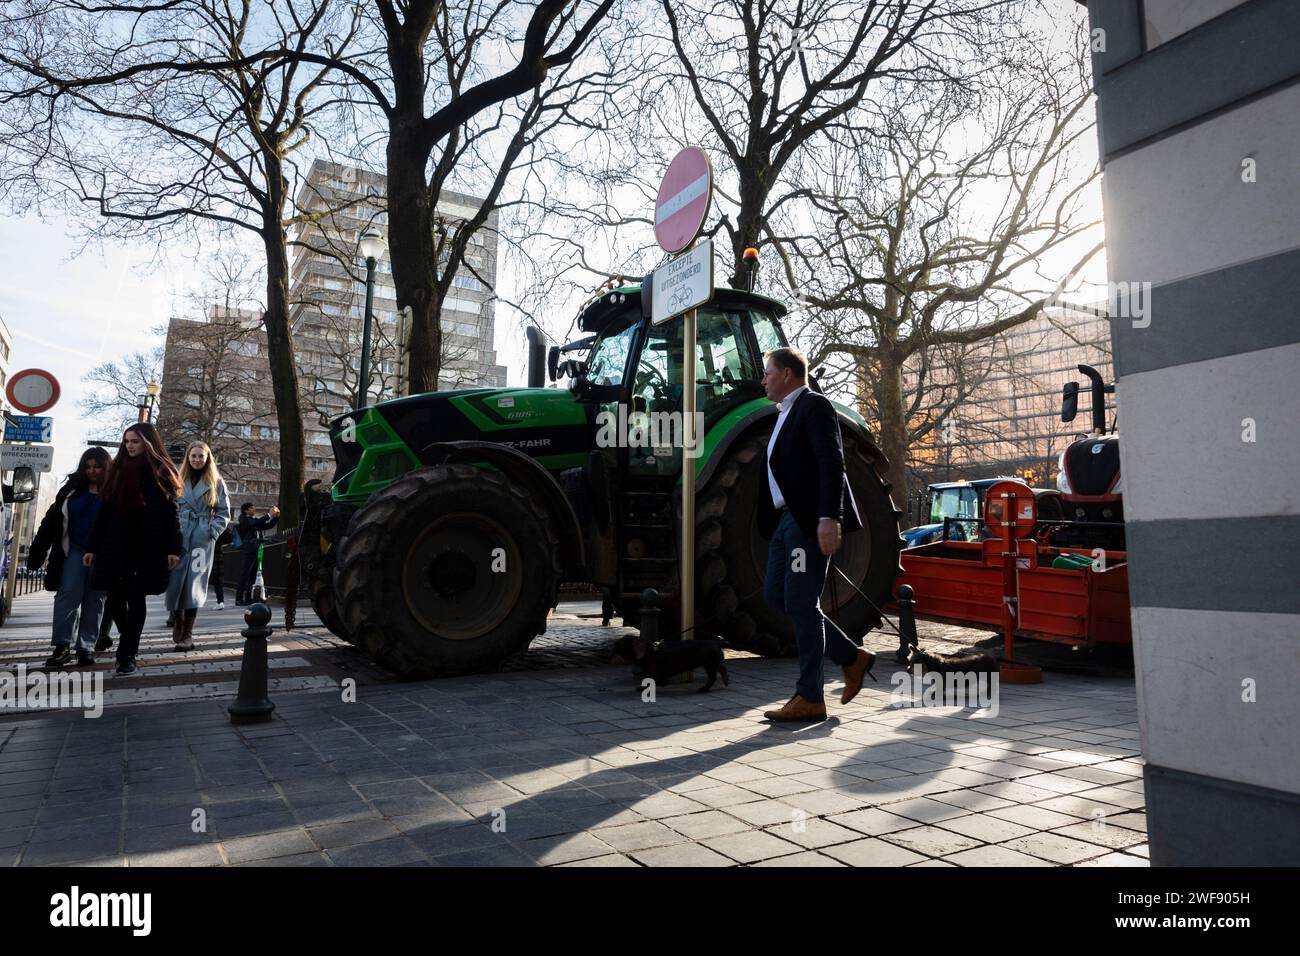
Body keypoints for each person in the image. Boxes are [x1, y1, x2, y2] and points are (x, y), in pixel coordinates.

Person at [758, 347, 875, 723]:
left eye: (768, 373)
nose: (763, 379)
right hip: (785, 522)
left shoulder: (814, 406)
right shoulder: (784, 414)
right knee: (777, 595)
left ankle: (810, 697)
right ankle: (850, 656)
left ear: (788, 374)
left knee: (802, 602)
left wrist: (829, 517)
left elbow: (832, 462)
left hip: (808, 521)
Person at [84, 423, 183, 677]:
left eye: (135, 441)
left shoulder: (160, 471)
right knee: (115, 600)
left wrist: (173, 548)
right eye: (127, 441)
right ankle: (128, 642)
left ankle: (127, 653)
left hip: (146, 544)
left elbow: (170, 513)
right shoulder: (116, 471)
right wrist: (92, 547)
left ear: (147, 442)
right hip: (115, 543)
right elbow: (103, 513)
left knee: (135, 598)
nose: (129, 446)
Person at [28, 447, 112, 668]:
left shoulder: (114, 492)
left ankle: (86, 647)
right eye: (88, 467)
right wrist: (38, 550)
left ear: (106, 468)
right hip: (73, 550)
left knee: (95, 600)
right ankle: (62, 647)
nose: (92, 471)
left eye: (97, 467)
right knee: (67, 597)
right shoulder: (71, 490)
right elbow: (52, 521)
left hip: (102, 555)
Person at [164, 441, 231, 651]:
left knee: (195, 584)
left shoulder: (217, 482)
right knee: (175, 581)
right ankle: (177, 618)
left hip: (201, 540)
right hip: (179, 537)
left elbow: (224, 512)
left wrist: (211, 532)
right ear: (188, 457)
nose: (197, 460)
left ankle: (188, 634)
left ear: (207, 458)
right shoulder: (177, 480)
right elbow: (168, 508)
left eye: (201, 456)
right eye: (193, 456)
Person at [236, 501, 279, 605]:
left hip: (256, 549)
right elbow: (254, 524)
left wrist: (276, 517)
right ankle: (239, 599)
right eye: (252, 508)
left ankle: (248, 598)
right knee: (245, 574)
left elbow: (267, 526)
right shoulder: (243, 519)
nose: (254, 509)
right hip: (249, 549)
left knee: (252, 575)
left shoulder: (253, 520)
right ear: (246, 510)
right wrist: (269, 514)